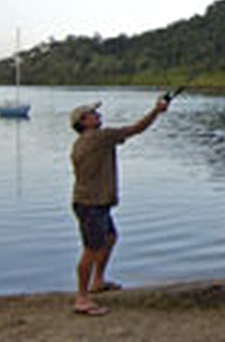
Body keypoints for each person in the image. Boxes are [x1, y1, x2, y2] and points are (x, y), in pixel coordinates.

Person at [69, 96, 169, 316]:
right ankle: (82, 299)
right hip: (90, 205)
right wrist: (156, 111)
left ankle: (98, 281)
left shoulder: (91, 139)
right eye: (93, 114)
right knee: (91, 250)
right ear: (83, 122)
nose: (98, 115)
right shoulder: (99, 138)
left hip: (96, 203)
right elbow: (136, 128)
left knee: (110, 238)